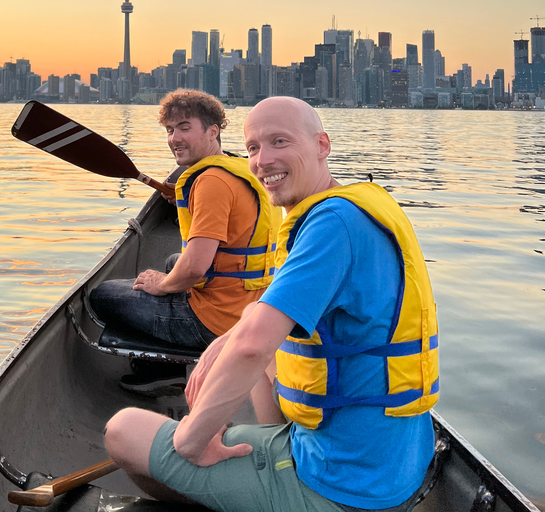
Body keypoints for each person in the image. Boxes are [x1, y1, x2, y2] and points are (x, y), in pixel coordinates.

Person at [103, 96, 440, 512]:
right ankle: (266, 465)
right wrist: (222, 342)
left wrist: (192, 440)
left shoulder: (331, 226)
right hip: (395, 464)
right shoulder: (359, 205)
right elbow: (254, 327)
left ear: (322, 145)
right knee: (260, 333)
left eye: (280, 141)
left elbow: (252, 344)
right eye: (253, 148)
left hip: (344, 483)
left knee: (123, 429)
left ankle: (258, 485)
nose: (263, 160)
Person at [90, 89, 282, 394]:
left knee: (103, 296)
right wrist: (181, 195)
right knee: (170, 262)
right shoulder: (240, 168)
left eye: (185, 127)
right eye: (170, 129)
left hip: (215, 322)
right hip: (251, 305)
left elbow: (194, 268)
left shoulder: (210, 182)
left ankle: (166, 372)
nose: (174, 138)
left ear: (212, 131)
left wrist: (162, 285)